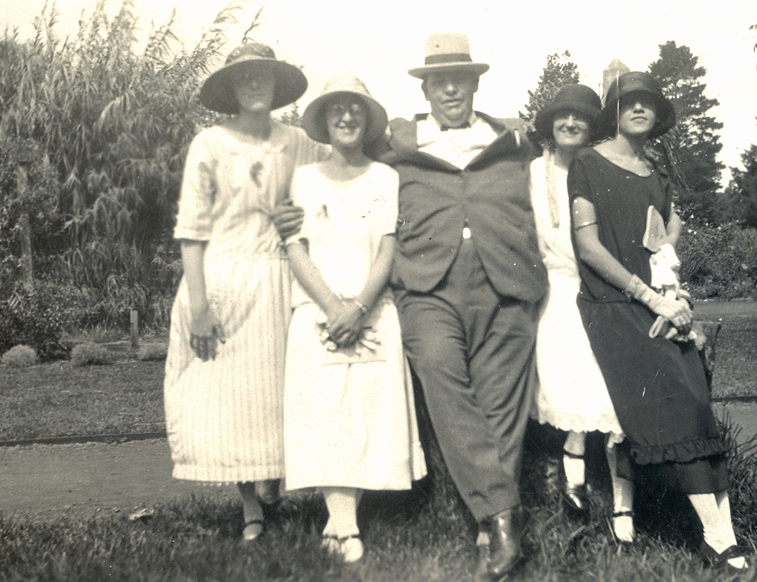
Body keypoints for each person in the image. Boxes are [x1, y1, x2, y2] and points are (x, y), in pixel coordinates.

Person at [368, 32, 547, 582]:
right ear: (426, 89)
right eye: (439, 81)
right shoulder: (397, 145)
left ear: (475, 84)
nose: (450, 90)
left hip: (505, 282)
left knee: (501, 403)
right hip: (427, 286)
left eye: (460, 80)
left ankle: (490, 523)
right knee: (444, 381)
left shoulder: (514, 142)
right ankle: (501, 509)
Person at [567, 71, 750, 570]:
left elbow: (664, 246)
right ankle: (716, 537)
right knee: (675, 398)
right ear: (614, 111)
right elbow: (588, 247)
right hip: (612, 307)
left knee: (695, 393)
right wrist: (650, 297)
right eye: (630, 101)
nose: (639, 108)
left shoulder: (656, 172)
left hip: (658, 304)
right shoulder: (587, 162)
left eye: (649, 101)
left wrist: (676, 295)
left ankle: (722, 535)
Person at [163, 42, 325, 542]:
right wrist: (199, 305)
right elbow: (191, 231)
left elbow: (336, 182)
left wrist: (305, 215)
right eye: (243, 78)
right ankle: (250, 503)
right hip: (222, 280)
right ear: (232, 88)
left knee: (278, 395)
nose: (254, 84)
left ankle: (273, 481)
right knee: (229, 399)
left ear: (276, 84)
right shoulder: (209, 145)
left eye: (263, 76)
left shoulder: (298, 142)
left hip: (280, 281)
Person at [282, 74, 427, 563]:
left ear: (367, 121)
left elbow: (388, 247)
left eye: (356, 110)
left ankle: (344, 521)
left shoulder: (385, 178)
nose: (346, 117)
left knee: (366, 415)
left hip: (370, 309)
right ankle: (342, 522)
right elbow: (295, 249)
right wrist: (331, 306)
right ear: (324, 119)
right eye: (337, 109)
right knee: (324, 416)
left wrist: (360, 308)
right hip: (318, 311)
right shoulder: (303, 179)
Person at [527, 84, 628, 539]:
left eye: (581, 117)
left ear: (593, 127)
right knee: (566, 385)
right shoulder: (532, 173)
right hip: (554, 291)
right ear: (550, 123)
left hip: (600, 288)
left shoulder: (603, 171)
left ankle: (624, 504)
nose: (570, 123)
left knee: (607, 389)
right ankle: (575, 486)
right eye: (562, 116)